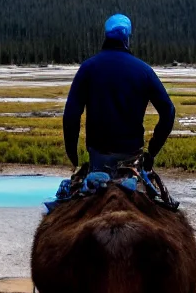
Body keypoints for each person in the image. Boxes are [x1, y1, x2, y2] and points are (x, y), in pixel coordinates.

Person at [63, 14, 176, 174]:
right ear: (127, 38)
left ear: (106, 35)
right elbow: (168, 111)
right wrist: (152, 152)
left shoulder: (87, 68)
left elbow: (71, 115)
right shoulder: (143, 70)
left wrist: (72, 153)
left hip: (98, 155)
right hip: (132, 154)